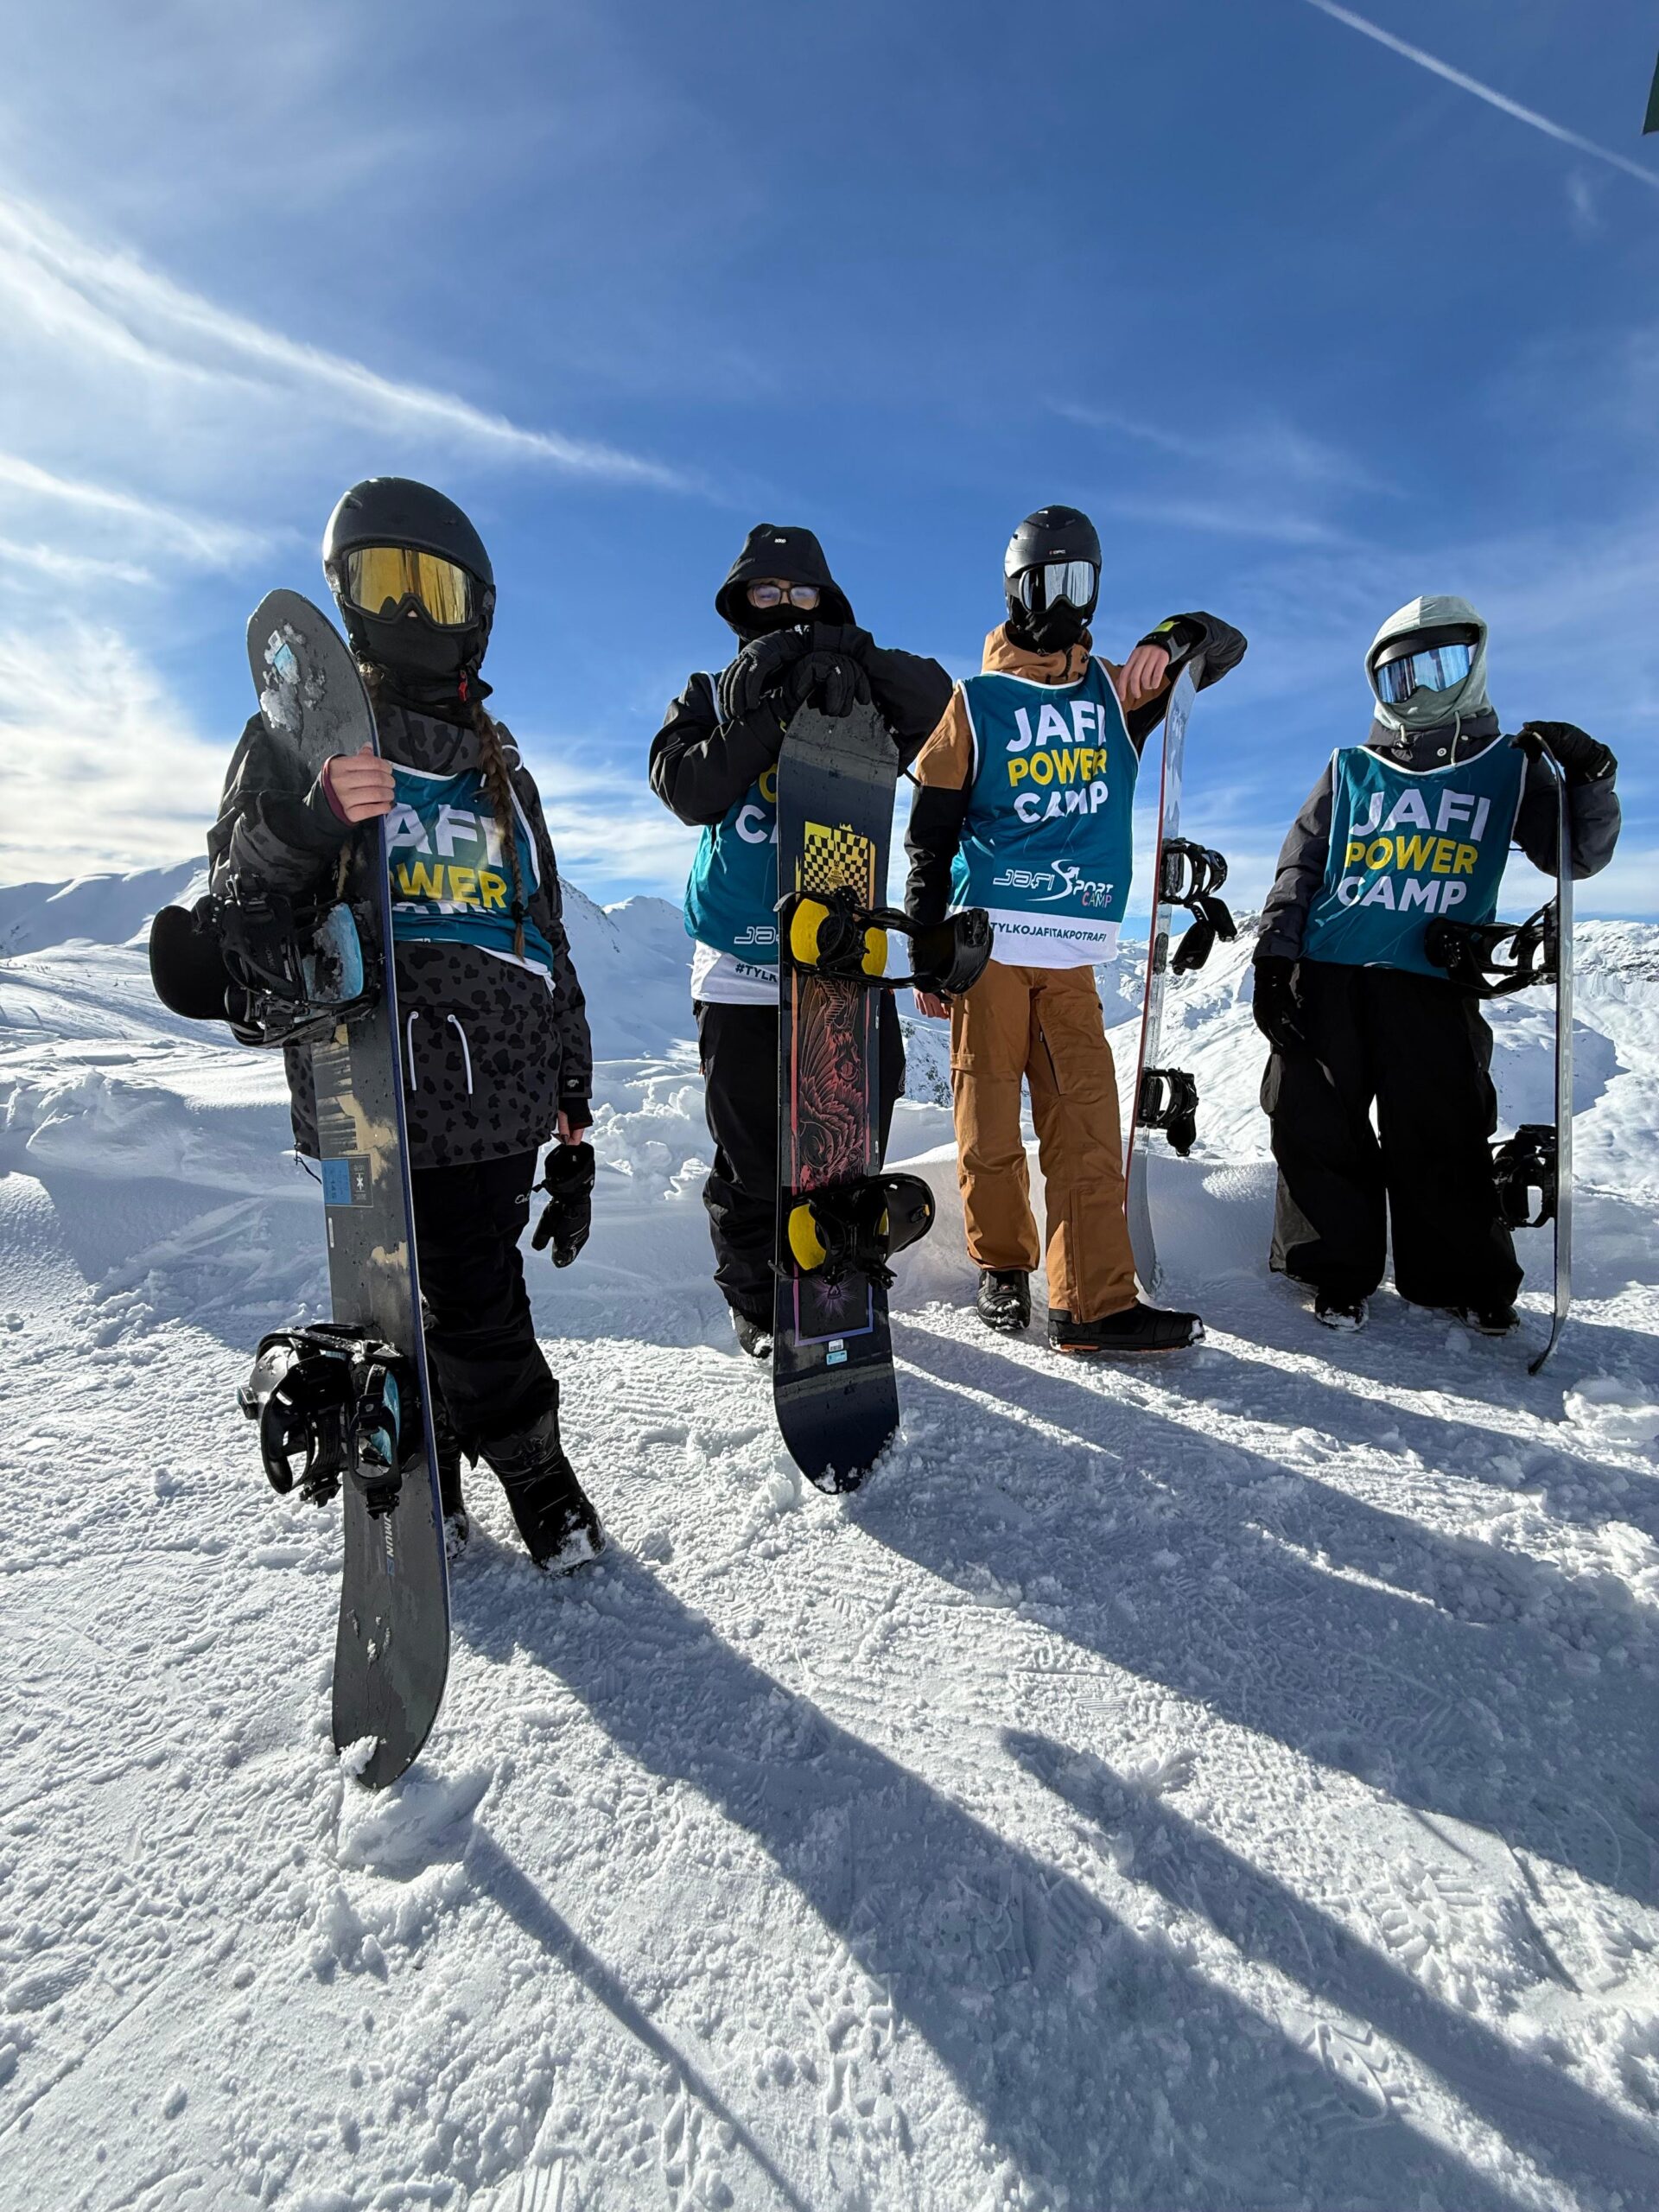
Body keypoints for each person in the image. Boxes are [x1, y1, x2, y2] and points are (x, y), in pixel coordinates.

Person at [208, 476, 603, 1568]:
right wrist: (312, 816)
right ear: (348, 593)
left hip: (500, 1092)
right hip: (374, 1078)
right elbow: (240, 897)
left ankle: (501, 1462)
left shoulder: (500, 767)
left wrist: (572, 1093)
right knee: (406, 1298)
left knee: (475, 1290)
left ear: (476, 612)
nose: (414, 612)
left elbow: (545, 937)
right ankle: (483, 1469)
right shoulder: (305, 738)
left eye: (436, 588)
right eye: (390, 582)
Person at [904, 505, 1246, 1354]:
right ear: (1013, 591)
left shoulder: (1117, 695)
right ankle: (1002, 1265)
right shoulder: (975, 702)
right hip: (986, 947)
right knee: (987, 1122)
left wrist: (1174, 637)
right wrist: (925, 946)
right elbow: (929, 837)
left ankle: (1092, 1304)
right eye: (1042, 583)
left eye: (1077, 582)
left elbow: (1225, 647)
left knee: (1088, 1125)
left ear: (1094, 589)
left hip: (1073, 954)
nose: (1060, 601)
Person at [1252, 593, 1620, 1333]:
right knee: (1315, 1119)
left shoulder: (1508, 765)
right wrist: (1273, 959)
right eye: (1400, 676)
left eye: (1440, 667)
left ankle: (1462, 1277)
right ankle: (1333, 1270)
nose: (1418, 689)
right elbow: (1301, 867)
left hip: (1433, 977)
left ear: (1475, 663)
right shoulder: (1350, 767)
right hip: (1328, 969)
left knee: (1442, 1126)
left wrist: (1591, 779)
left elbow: (1573, 856)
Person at [650, 524, 953, 1356]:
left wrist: (846, 653)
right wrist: (775, 705)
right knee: (752, 1158)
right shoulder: (710, 693)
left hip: (842, 968)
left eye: (802, 592)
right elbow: (688, 787)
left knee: (847, 1145)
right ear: (739, 602)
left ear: (829, 600)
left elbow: (940, 712)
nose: (784, 604)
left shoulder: (863, 690)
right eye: (767, 591)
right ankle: (758, 1301)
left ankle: (839, 1280)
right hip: (740, 965)